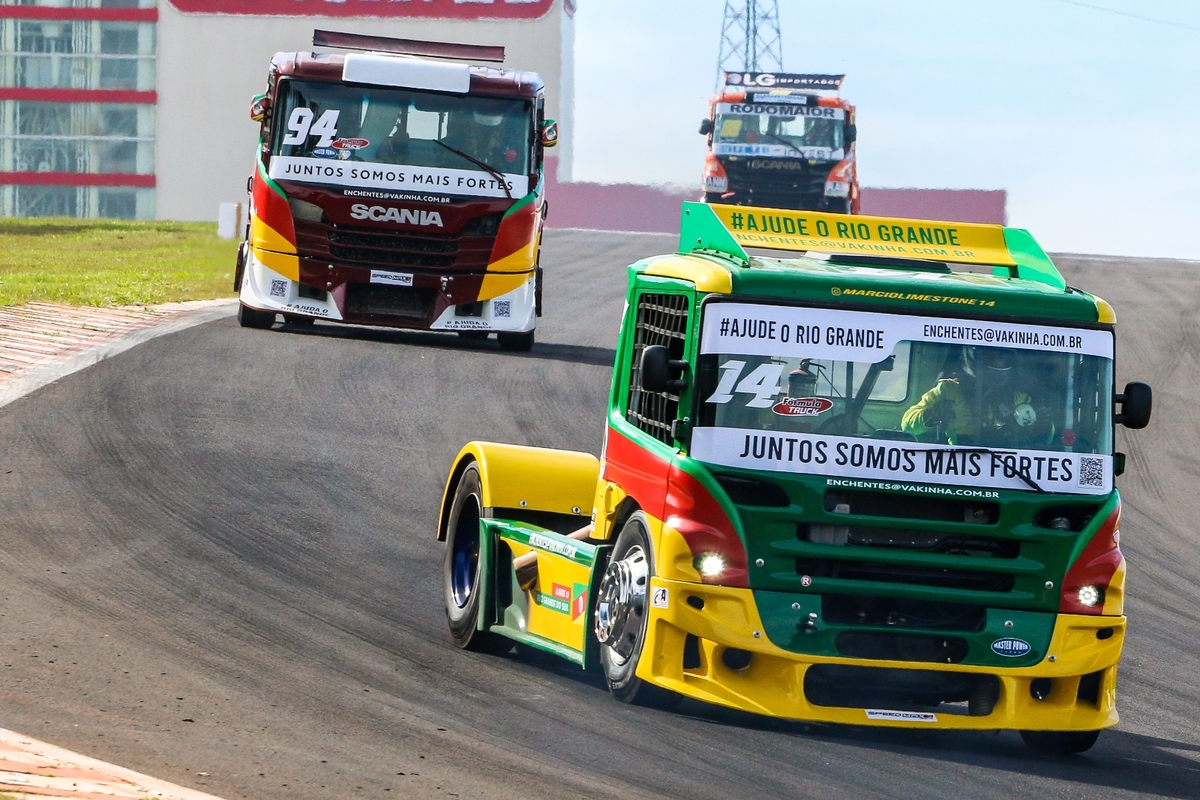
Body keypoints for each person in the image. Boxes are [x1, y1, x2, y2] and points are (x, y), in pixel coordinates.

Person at [901, 346, 1053, 447]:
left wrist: (1041, 423)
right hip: (960, 461)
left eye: (1003, 358)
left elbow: (1047, 437)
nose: (999, 362)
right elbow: (907, 424)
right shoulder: (949, 389)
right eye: (991, 357)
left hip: (1006, 463)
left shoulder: (1018, 396)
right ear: (975, 358)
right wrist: (930, 415)